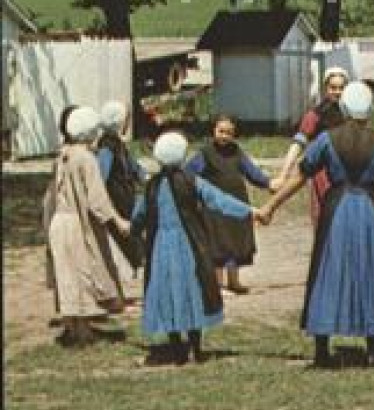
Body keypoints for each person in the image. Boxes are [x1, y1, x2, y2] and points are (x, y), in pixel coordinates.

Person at [258, 82, 374, 368]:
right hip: (370, 210)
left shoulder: (326, 140)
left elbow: (300, 177)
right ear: (370, 109)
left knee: (328, 270)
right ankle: (373, 349)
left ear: (344, 108)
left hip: (336, 209)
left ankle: (322, 349)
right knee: (373, 269)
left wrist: (270, 206)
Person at [131, 132, 257, 365]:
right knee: (192, 290)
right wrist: (250, 211)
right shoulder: (191, 181)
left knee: (167, 292)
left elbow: (138, 216)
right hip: (189, 245)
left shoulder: (151, 187)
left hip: (160, 248)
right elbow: (218, 199)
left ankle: (177, 345)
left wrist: (131, 232)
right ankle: (196, 347)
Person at [44, 107, 130, 347]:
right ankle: (81, 332)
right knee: (83, 272)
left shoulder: (62, 155)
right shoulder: (86, 158)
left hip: (58, 221)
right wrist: (117, 221)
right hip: (76, 223)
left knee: (66, 274)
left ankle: (72, 326)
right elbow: (97, 200)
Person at [184, 114, 272, 293]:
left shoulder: (236, 151)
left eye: (229, 132)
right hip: (214, 206)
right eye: (221, 131)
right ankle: (218, 284)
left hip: (237, 202)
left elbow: (251, 171)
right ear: (213, 130)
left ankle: (234, 281)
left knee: (236, 241)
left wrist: (268, 183)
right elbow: (189, 175)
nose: (224, 136)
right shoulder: (205, 153)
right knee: (217, 243)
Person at [274, 66, 350, 228]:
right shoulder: (315, 115)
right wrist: (283, 174)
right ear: (325, 88)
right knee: (325, 221)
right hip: (324, 176)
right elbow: (298, 143)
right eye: (333, 88)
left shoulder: (351, 115)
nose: (337, 92)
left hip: (348, 175)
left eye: (341, 88)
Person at [93, 101, 145, 277]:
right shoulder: (107, 147)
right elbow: (101, 175)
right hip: (116, 198)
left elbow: (133, 166)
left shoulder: (118, 144)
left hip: (126, 196)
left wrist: (143, 176)